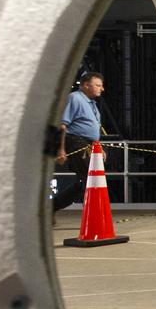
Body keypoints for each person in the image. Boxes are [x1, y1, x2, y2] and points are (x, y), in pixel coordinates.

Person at [53, 71, 106, 211]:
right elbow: (63, 124)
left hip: (88, 144)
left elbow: (92, 129)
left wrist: (97, 146)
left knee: (85, 179)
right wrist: (61, 149)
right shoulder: (74, 98)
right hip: (76, 141)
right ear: (86, 85)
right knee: (90, 176)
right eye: (98, 85)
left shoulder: (92, 103)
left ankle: (53, 206)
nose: (102, 89)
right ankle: (92, 211)